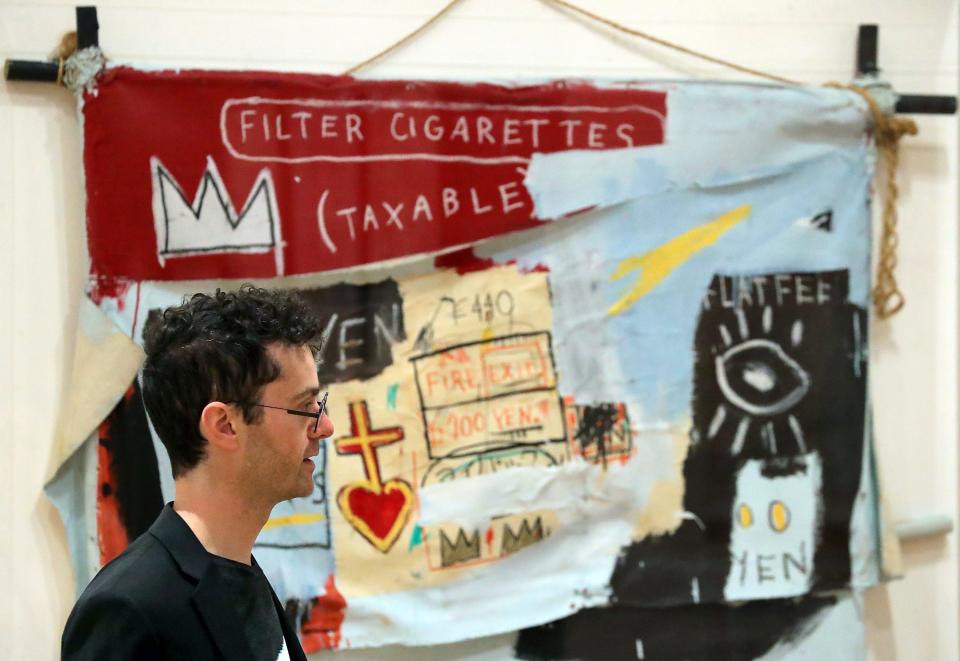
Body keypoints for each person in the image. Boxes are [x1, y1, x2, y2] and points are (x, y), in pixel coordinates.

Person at [62, 285, 334, 661]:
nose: (326, 426)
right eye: (306, 407)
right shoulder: (129, 608)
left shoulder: (242, 575)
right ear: (224, 425)